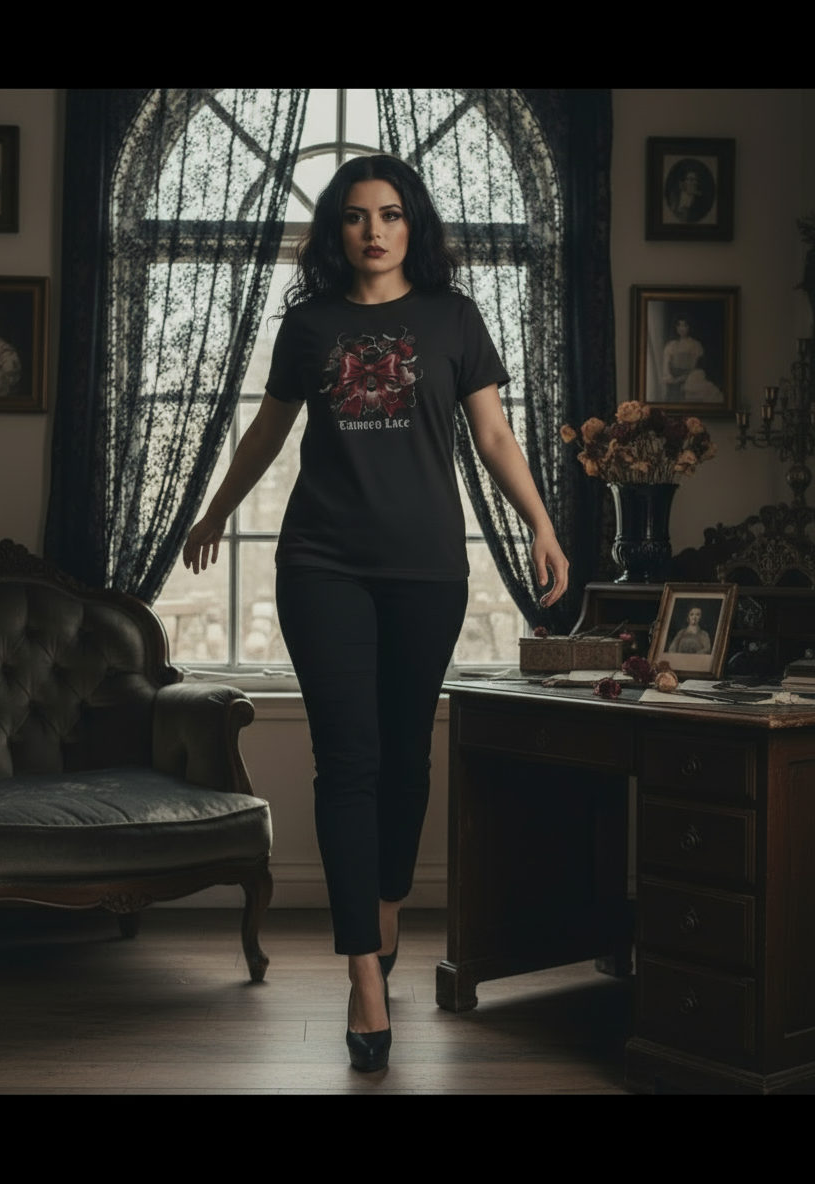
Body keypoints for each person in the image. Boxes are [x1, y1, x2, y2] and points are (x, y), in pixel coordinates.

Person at [182, 154, 569, 1072]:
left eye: (390, 214)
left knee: (404, 760)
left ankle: (386, 897)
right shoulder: (308, 325)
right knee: (346, 763)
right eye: (356, 216)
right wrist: (216, 509)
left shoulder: (453, 319)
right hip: (322, 565)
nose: (374, 230)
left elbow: (494, 436)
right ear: (336, 229)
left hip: (426, 571)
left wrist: (542, 526)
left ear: (413, 224)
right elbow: (270, 430)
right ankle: (364, 972)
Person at [660, 317, 722, 403]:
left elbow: (694, 367)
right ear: (676, 328)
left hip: (691, 377)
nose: (682, 328)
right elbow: (666, 368)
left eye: (684, 325)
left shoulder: (695, 345)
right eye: (679, 325)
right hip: (674, 378)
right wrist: (672, 378)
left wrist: (684, 378)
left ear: (689, 327)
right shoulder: (671, 345)